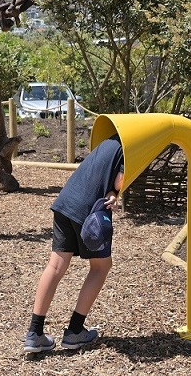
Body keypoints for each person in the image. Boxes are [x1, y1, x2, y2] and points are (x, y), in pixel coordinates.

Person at [24, 133, 125, 353]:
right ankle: (75, 331)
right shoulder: (128, 148)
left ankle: (34, 334)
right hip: (87, 212)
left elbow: (102, 178)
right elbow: (119, 181)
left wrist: (111, 191)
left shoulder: (106, 143)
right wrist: (117, 191)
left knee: (56, 266)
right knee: (101, 266)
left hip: (65, 203)